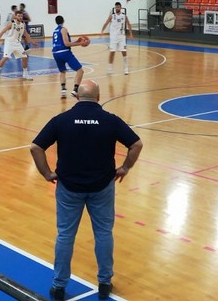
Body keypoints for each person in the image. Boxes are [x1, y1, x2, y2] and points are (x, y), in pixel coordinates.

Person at [30, 80, 142, 301]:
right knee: (103, 233)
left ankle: (59, 286)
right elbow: (136, 144)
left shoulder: (61, 120)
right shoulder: (111, 120)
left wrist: (46, 173)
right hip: (102, 187)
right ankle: (104, 282)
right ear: (98, 98)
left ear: (77, 97)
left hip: (68, 188)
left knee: (65, 235)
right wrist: (125, 168)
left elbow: (35, 147)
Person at [0, 10, 35, 81]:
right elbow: (2, 32)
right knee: (5, 57)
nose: (20, 17)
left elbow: (26, 34)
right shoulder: (11, 23)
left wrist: (32, 42)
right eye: (19, 16)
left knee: (24, 57)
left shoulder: (23, 24)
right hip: (9, 43)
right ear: (15, 16)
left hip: (17, 43)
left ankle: (25, 74)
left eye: (21, 16)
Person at [52, 15, 85, 99]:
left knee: (62, 71)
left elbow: (64, 42)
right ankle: (75, 90)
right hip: (64, 52)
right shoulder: (64, 29)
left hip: (55, 53)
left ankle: (63, 91)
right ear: (63, 20)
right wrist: (80, 44)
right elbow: (66, 44)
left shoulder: (55, 31)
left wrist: (76, 41)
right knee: (80, 70)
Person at [100, 2, 133, 75]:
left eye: (118, 7)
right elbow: (106, 23)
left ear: (120, 8)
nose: (117, 8)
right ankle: (110, 69)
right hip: (113, 37)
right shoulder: (112, 16)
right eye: (116, 7)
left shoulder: (124, 16)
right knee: (112, 52)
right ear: (115, 8)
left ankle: (126, 68)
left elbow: (129, 24)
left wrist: (131, 34)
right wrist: (102, 31)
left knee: (124, 52)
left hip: (121, 37)